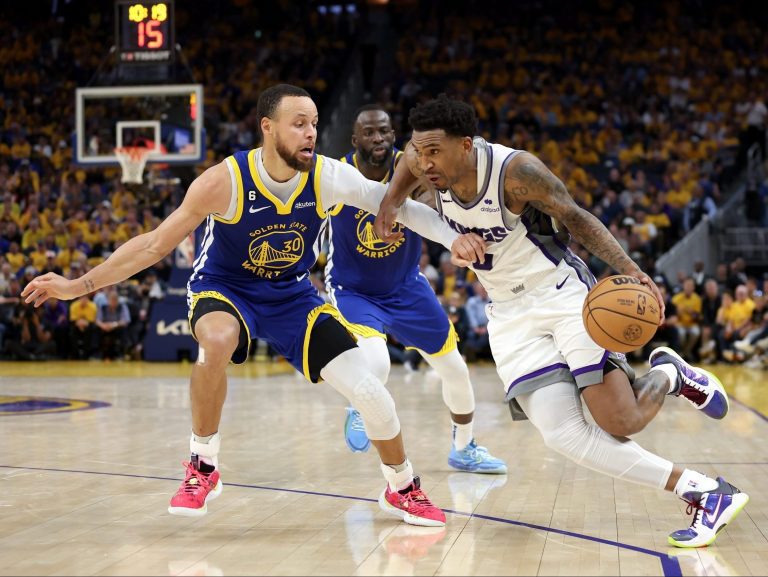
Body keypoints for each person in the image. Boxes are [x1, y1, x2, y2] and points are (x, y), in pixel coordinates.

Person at [22, 85, 485, 528]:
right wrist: (78, 285)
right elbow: (152, 246)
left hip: (292, 295)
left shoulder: (327, 176)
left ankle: (400, 487)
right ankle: (203, 463)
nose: (310, 133)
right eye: (298, 123)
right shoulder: (224, 181)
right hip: (226, 290)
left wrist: (453, 236)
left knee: (370, 392)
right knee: (216, 342)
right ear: (268, 127)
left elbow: (398, 207)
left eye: (315, 124)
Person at [373, 95, 749, 548]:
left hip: (562, 294)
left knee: (619, 420)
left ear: (467, 145)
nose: (424, 161)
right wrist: (390, 204)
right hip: (507, 315)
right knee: (562, 436)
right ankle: (706, 492)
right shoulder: (420, 158)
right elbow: (407, 168)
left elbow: (577, 218)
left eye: (434, 151)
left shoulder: (516, 172)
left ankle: (669, 374)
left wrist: (632, 270)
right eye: (419, 150)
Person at [326, 104, 506, 473]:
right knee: (377, 361)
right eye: (370, 133)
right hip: (353, 289)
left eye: (385, 131)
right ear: (355, 139)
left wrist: (454, 237)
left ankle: (464, 447)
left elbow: (427, 210)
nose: (379, 138)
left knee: (455, 369)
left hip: (406, 287)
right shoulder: (336, 174)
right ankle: (359, 405)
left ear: (395, 136)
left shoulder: (414, 168)